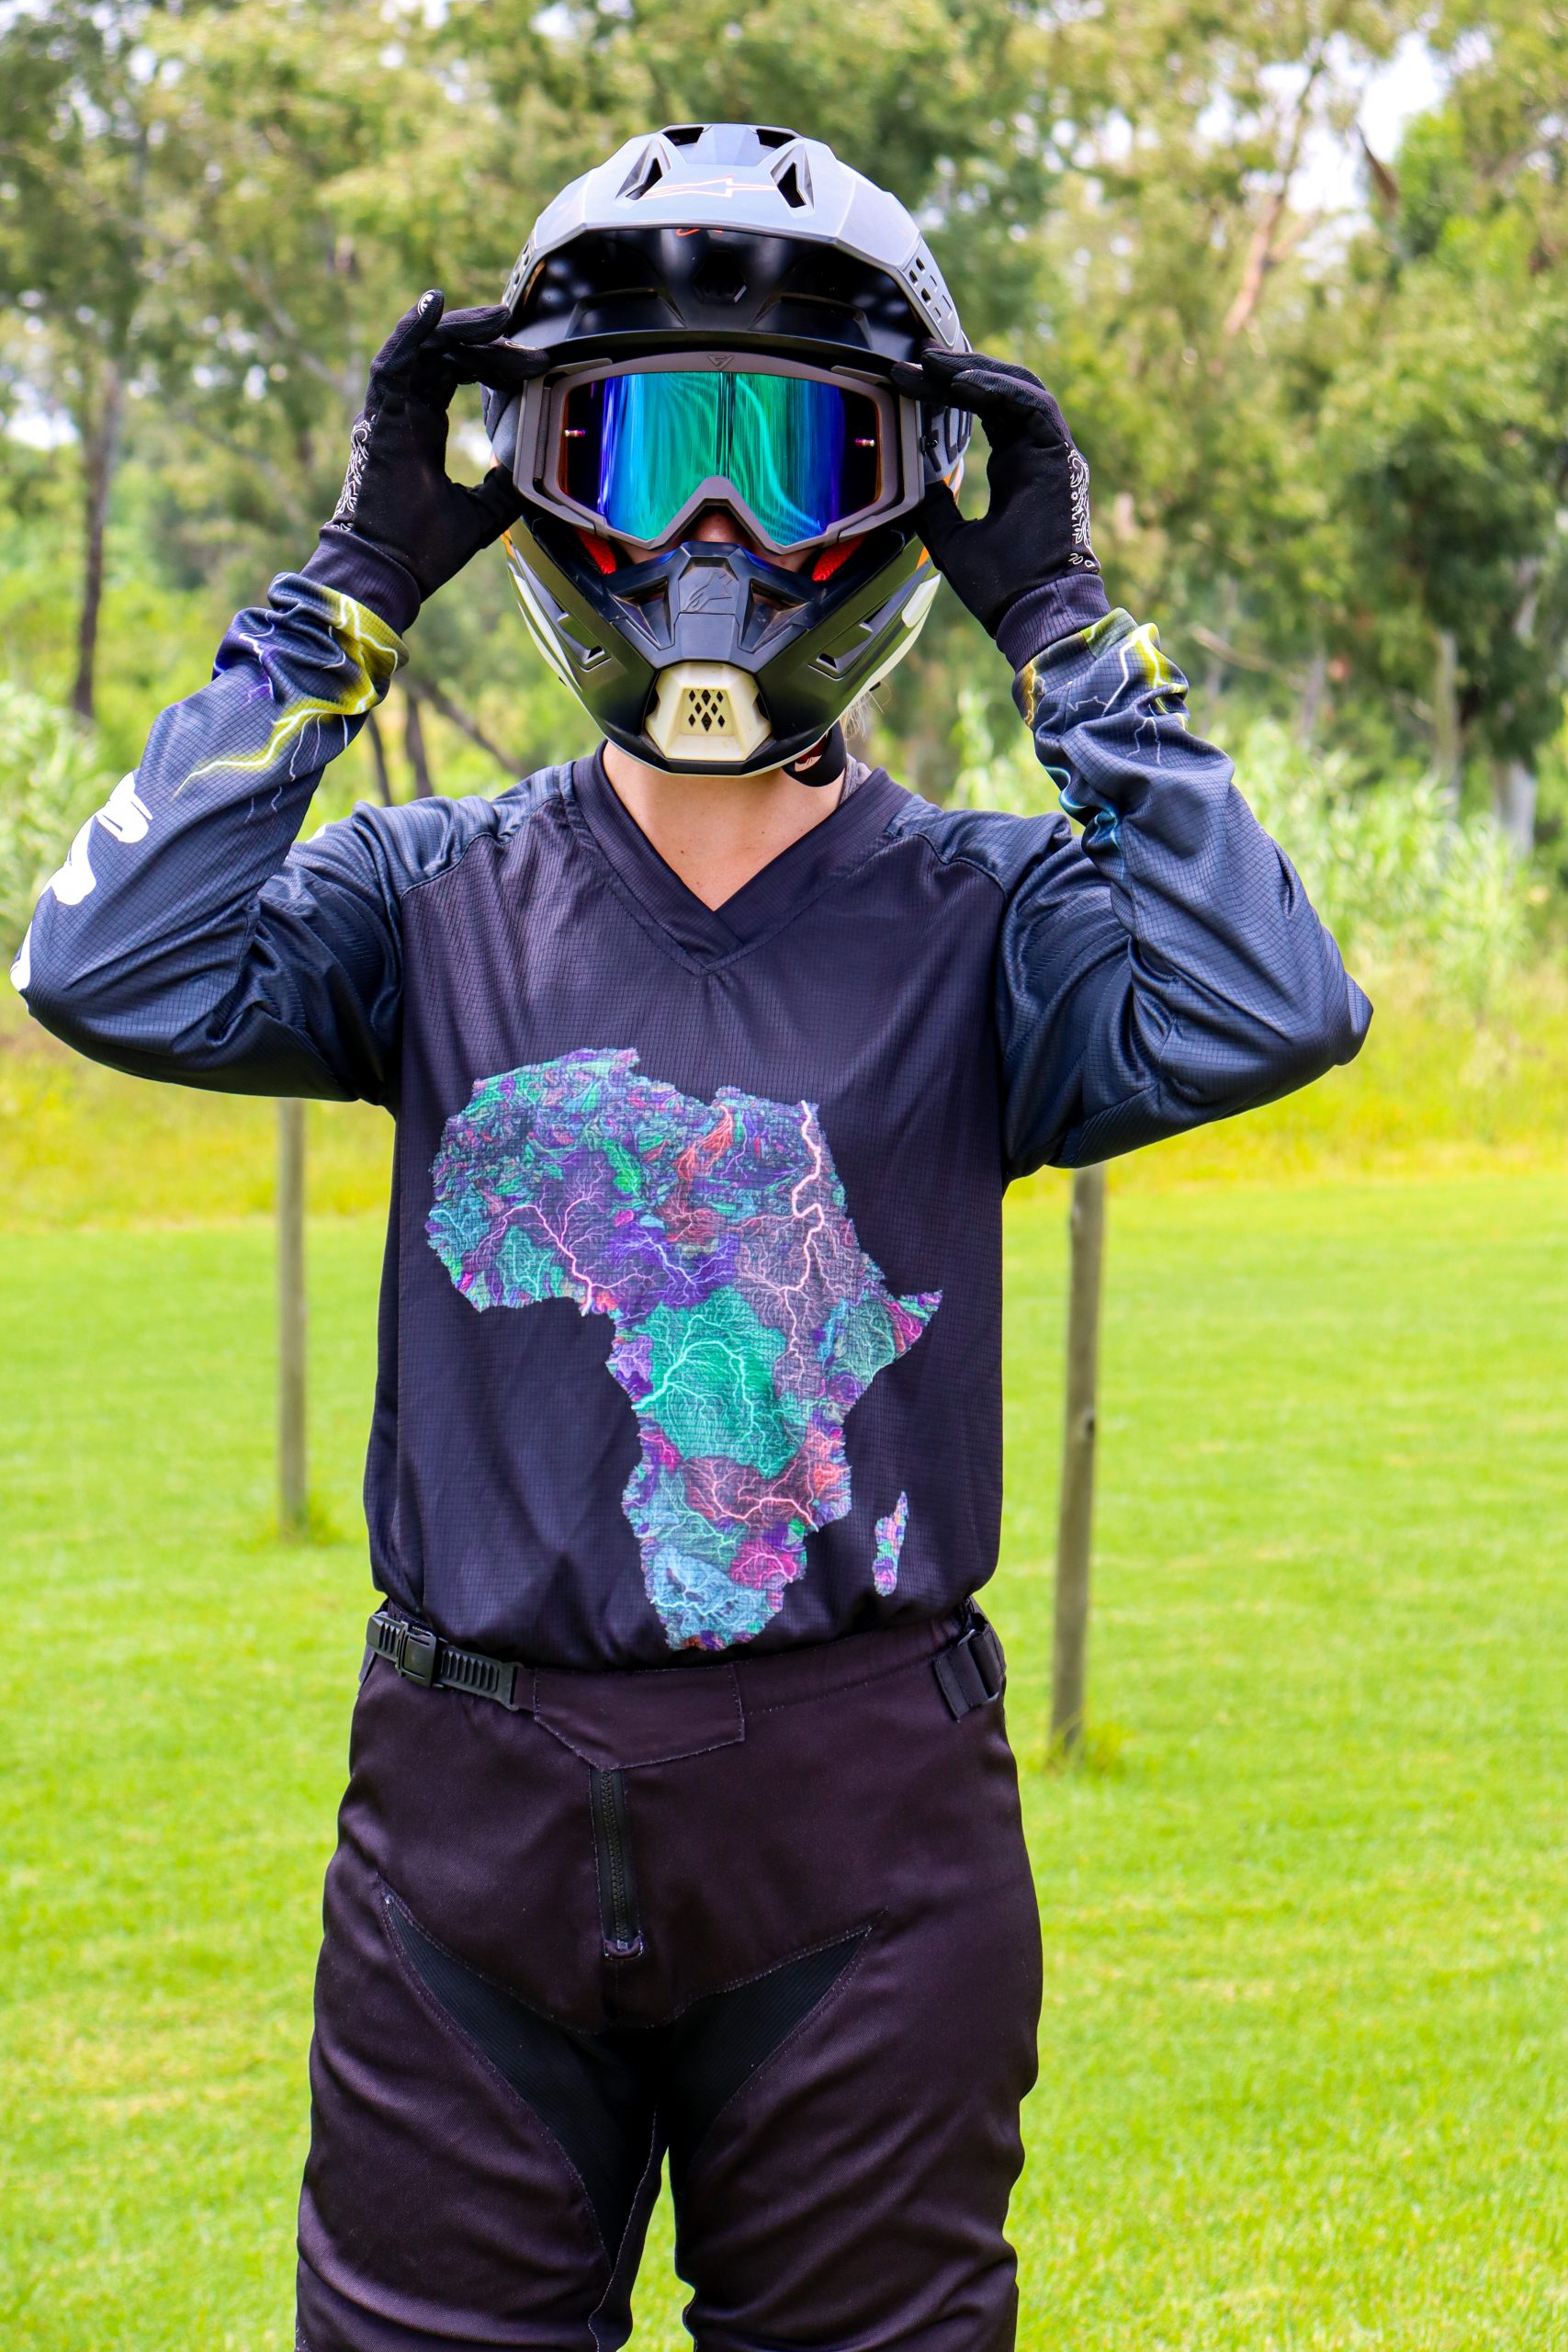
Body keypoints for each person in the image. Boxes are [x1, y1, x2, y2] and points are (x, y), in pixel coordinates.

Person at [13, 122, 1370, 2352]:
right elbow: (106, 965)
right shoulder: (423, 895)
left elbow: (1269, 1001)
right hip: (467, 1831)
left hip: (864, 1833)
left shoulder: (990, 916)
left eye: (790, 457)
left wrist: (1062, 629)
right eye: (643, 454)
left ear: (901, 493)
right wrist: (347, 586)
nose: (712, 535)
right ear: (541, 481)